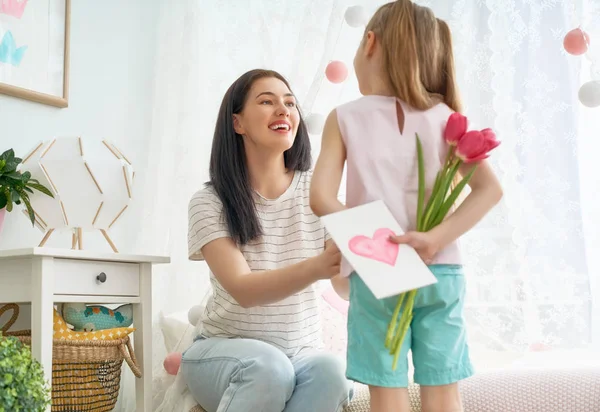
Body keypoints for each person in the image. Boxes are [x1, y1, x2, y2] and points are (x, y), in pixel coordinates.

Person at [309, 1, 503, 412]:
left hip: (380, 268)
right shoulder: (448, 117)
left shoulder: (344, 117)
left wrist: (375, 241)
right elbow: (490, 191)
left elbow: (321, 198)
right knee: (444, 393)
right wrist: (433, 239)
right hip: (443, 269)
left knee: (387, 391)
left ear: (370, 42)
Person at [182, 68, 353, 412]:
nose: (284, 110)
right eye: (267, 101)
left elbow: (342, 285)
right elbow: (244, 289)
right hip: (223, 351)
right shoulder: (210, 201)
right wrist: (319, 265)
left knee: (333, 372)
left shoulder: (318, 191)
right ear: (237, 123)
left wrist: (361, 264)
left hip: (301, 352)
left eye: (290, 103)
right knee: (268, 369)